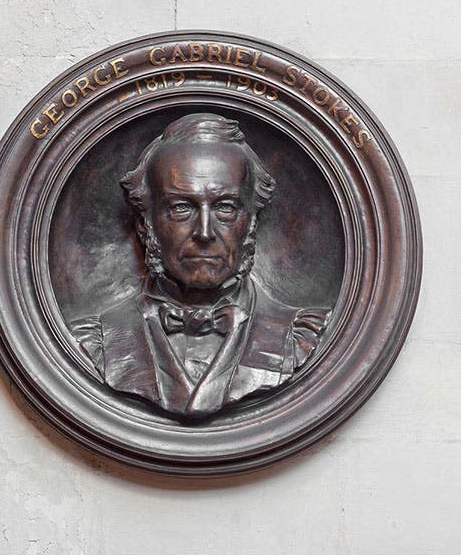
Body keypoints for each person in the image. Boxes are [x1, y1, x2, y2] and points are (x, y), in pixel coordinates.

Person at [70, 113, 330, 416]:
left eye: (226, 207)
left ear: (251, 222)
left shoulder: (300, 334)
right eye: (181, 208)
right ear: (145, 224)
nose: (204, 232)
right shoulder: (93, 341)